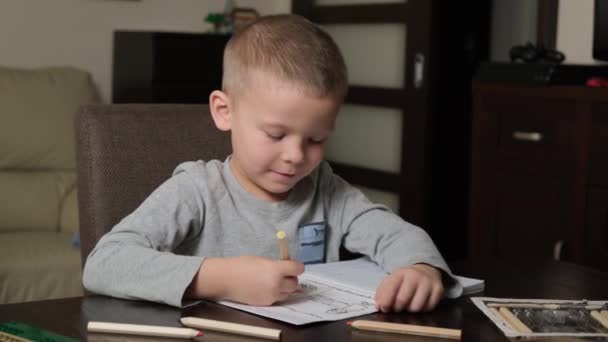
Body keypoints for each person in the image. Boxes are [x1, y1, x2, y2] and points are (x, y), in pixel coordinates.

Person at [83, 14, 460, 313]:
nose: (297, 155)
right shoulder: (198, 189)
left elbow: (397, 235)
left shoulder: (325, 190)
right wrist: (219, 277)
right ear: (224, 111)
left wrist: (421, 270)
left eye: (315, 139)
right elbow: (104, 263)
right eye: (276, 135)